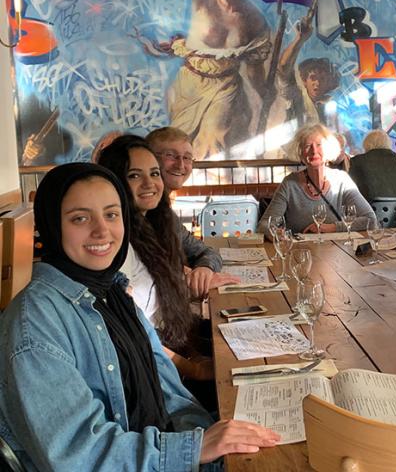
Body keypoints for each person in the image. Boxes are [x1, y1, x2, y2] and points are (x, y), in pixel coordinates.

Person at [0, 163, 279, 470]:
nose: (101, 230)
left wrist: (209, 440)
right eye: (80, 218)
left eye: (111, 214)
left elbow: (169, 393)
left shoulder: (114, 292)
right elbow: (77, 455)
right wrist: (194, 447)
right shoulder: (36, 322)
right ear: (52, 225)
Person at [98, 136, 238, 406]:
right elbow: (131, 335)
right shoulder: (116, 243)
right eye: (134, 175)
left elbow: (203, 254)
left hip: (174, 343)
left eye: (153, 173)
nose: (150, 183)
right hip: (156, 370)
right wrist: (193, 368)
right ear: (114, 182)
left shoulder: (158, 221)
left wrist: (199, 274)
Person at [165, 0, 271, 159]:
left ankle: (210, 188)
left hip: (225, 86)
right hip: (190, 83)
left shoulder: (252, 18)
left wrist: (265, 92)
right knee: (177, 142)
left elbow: (254, 65)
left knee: (212, 140)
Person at [146, 127, 226, 298]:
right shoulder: (136, 216)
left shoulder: (166, 213)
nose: (181, 165)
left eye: (187, 158)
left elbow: (208, 252)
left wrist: (204, 269)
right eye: (170, 155)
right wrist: (185, 277)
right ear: (149, 159)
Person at [258, 124, 376, 235]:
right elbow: (264, 225)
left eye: (319, 145)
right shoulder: (289, 184)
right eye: (308, 146)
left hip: (337, 253)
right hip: (301, 253)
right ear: (300, 153)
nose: (314, 151)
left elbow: (370, 220)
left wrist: (331, 228)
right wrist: (276, 233)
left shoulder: (342, 181)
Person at [349, 129, 396, 202]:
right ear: (388, 143)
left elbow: (351, 191)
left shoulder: (356, 161)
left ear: (366, 143)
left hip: (369, 210)